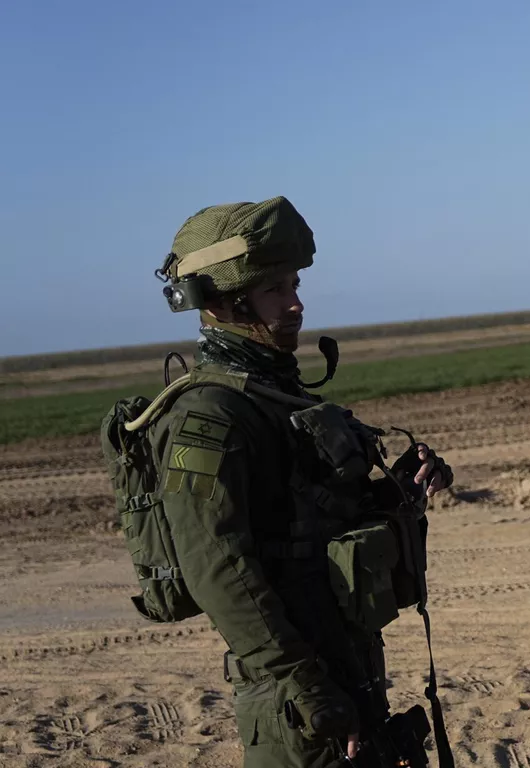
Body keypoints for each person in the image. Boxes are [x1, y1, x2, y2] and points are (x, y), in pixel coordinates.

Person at [128, 196, 453, 767]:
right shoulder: (210, 415)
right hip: (293, 696)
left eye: (295, 284)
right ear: (223, 301)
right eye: (275, 290)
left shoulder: (275, 396)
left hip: (344, 662)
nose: (297, 304)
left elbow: (307, 522)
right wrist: (307, 688)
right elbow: (218, 571)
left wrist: (393, 494)